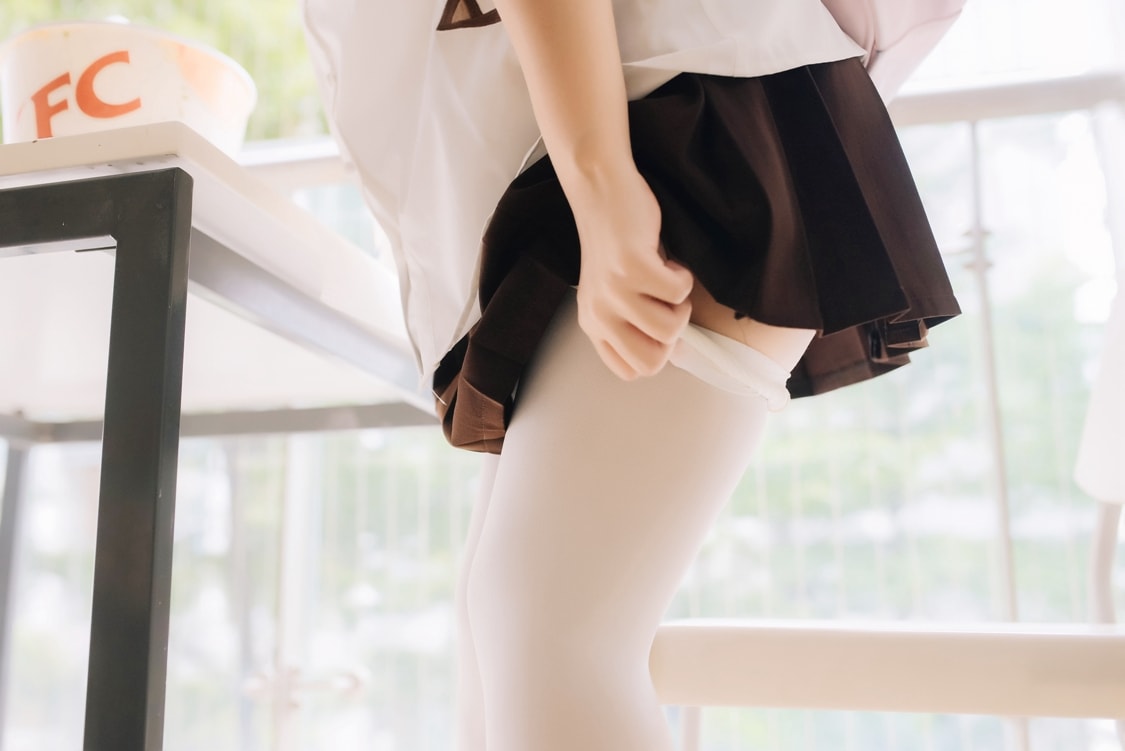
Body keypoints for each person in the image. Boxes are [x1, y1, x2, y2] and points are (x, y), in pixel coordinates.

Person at [303, 0, 961, 748]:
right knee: (509, 624)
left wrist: (604, 185)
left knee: (545, 631)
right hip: (623, 113)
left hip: (665, 110)